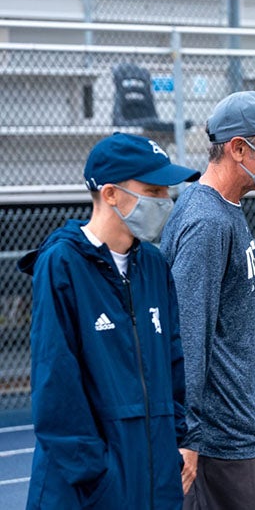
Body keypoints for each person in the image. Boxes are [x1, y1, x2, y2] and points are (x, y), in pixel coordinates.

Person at [18, 132, 200, 509]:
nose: (165, 201)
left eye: (166, 191)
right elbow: (56, 385)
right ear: (112, 193)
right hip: (90, 491)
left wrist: (179, 441)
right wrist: (97, 476)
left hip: (155, 483)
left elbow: (174, 363)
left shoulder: (154, 264)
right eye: (153, 189)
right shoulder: (62, 265)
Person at [159, 91, 255, 510]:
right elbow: (189, 335)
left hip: (254, 432)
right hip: (224, 444)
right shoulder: (206, 222)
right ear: (238, 148)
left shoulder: (227, 209)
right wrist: (188, 437)